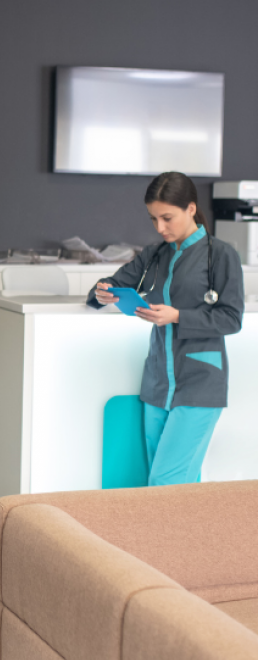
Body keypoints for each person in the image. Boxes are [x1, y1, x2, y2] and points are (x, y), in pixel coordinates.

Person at [88, 171, 244, 486]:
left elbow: (231, 318)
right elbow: (113, 284)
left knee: (165, 483)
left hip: (200, 383)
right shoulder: (154, 255)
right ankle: (185, 536)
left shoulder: (221, 255)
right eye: (154, 219)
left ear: (190, 208)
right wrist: (102, 292)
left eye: (167, 218)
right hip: (158, 384)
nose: (160, 228)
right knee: (170, 487)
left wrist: (177, 316)